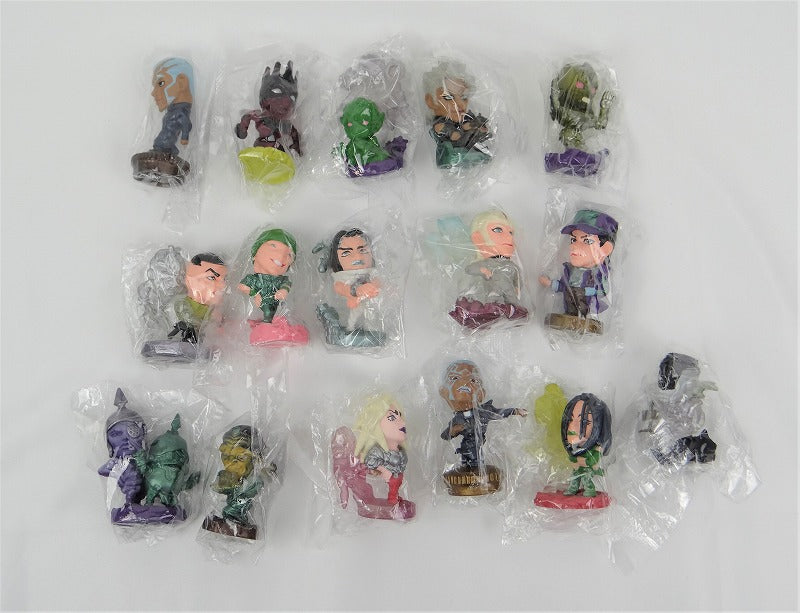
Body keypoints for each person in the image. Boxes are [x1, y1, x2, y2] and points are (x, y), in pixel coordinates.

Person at [539, 209, 618, 333]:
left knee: (580, 301)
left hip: (586, 308)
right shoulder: (569, 270)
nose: (574, 246)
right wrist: (550, 283)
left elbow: (603, 291)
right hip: (569, 310)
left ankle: (584, 318)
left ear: (605, 249)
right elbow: (563, 287)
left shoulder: (597, 274)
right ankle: (571, 317)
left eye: (587, 241)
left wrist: (586, 291)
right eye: (573, 240)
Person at [439, 360, 527, 470]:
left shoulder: (485, 412)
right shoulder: (457, 418)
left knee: (476, 462)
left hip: (481, 446)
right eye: (455, 378)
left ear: (481, 394)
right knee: (467, 463)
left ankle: (476, 470)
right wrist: (453, 430)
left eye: (473, 380)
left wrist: (515, 411)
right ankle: (470, 470)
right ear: (443, 392)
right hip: (465, 447)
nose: (464, 383)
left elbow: (500, 413)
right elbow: (445, 435)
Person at [449, 210, 528, 329]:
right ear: (478, 238)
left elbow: (517, 279)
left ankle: (512, 313)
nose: (509, 237)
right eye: (498, 230)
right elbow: (469, 269)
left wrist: (517, 287)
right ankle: (491, 314)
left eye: (511, 232)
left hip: (510, 296)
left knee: (512, 301)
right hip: (492, 296)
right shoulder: (485, 263)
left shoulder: (512, 266)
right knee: (492, 300)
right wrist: (482, 270)